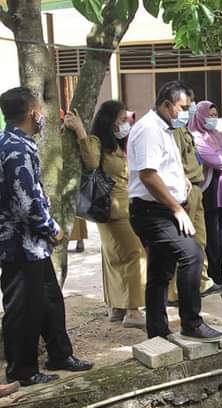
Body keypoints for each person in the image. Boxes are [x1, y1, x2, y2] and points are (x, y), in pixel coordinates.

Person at [0, 86, 93, 386]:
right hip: (19, 245)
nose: (42, 115)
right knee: (22, 309)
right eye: (39, 109)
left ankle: (59, 353)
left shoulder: (21, 143)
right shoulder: (13, 149)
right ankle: (22, 371)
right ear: (31, 113)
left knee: (50, 301)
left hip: (33, 246)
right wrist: (51, 229)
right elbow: (25, 199)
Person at [127, 80, 222, 340]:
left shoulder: (165, 128)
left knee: (161, 270)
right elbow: (148, 174)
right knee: (191, 254)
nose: (187, 112)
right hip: (151, 211)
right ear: (168, 105)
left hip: (163, 207)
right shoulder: (149, 129)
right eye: (184, 107)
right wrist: (176, 208)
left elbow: (164, 168)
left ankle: (157, 330)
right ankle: (191, 323)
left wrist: (182, 185)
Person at [64, 101, 147, 328]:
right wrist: (80, 130)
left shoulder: (119, 144)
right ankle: (133, 311)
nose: (125, 123)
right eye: (121, 119)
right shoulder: (96, 141)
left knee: (117, 256)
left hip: (126, 206)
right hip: (111, 208)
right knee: (134, 254)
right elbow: (90, 162)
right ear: (109, 121)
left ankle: (118, 307)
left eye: (126, 119)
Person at [169, 101, 219, 305]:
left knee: (200, 239)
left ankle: (200, 282)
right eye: (185, 106)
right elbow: (173, 161)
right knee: (183, 242)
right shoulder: (172, 132)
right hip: (184, 190)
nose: (188, 110)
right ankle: (174, 292)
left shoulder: (185, 130)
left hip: (197, 188)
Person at [189, 100, 222, 287]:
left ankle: (218, 271)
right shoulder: (195, 136)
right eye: (209, 115)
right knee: (210, 236)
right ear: (200, 116)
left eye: (215, 115)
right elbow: (215, 160)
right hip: (208, 190)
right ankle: (211, 273)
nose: (213, 119)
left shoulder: (218, 134)